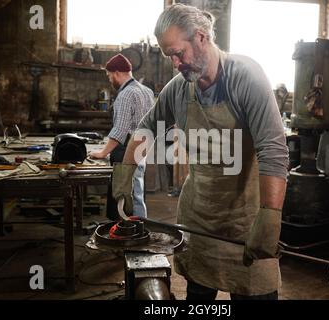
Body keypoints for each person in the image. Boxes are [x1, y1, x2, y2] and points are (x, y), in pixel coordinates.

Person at [112, 4, 288, 300]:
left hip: (245, 221)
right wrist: (125, 174)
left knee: (254, 294)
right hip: (198, 221)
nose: (176, 63)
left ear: (202, 37)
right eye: (170, 56)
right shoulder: (178, 88)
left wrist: (270, 216)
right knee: (198, 297)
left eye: (179, 53)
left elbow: (273, 150)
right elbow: (146, 128)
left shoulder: (246, 78)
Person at [89, 53, 154, 219]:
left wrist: (103, 153)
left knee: (123, 193)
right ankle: (139, 226)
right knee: (137, 190)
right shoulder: (147, 91)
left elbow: (120, 130)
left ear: (117, 73)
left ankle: (128, 231)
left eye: (109, 76)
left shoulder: (125, 95)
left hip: (126, 149)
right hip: (142, 147)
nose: (110, 80)